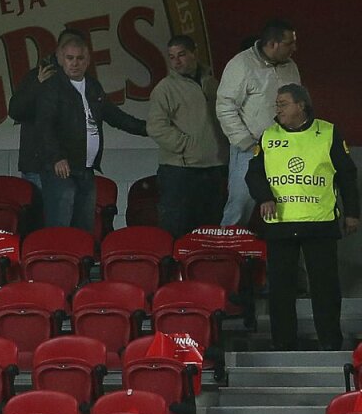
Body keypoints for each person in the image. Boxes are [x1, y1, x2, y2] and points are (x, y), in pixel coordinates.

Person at [245, 84, 358, 350]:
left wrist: (352, 213)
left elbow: (347, 175)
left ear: (301, 105)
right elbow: (254, 174)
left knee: (325, 288)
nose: (278, 109)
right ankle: (283, 344)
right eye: (277, 104)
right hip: (280, 225)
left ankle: (330, 342)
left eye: (283, 103)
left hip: (319, 223)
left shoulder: (327, 132)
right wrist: (265, 197)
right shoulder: (268, 136)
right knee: (281, 290)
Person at [35, 33, 148, 230]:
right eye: (70, 58)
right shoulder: (52, 87)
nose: (74, 63)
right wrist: (56, 157)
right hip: (61, 168)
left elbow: (114, 116)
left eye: (79, 58)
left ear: (87, 60)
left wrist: (148, 128)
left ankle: (81, 260)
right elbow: (44, 126)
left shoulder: (93, 86)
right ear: (61, 58)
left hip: (86, 167)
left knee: (85, 224)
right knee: (60, 224)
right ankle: (59, 260)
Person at [216, 18, 300, 227]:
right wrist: (246, 142)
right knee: (240, 205)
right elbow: (225, 107)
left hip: (286, 148)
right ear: (273, 44)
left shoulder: (291, 66)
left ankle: (281, 257)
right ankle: (227, 255)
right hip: (250, 148)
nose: (294, 48)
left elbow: (299, 102)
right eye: (290, 43)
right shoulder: (241, 64)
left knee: (286, 203)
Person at [146, 34, 229, 237]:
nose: (176, 61)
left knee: (210, 227)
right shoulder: (165, 88)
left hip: (214, 167)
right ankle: (176, 269)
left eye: (181, 55)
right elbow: (155, 126)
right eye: (172, 57)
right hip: (179, 170)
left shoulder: (212, 83)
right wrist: (185, 145)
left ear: (194, 53)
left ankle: (205, 269)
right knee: (177, 228)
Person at [8, 27, 87, 231]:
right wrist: (38, 84)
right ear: (59, 51)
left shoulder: (82, 82)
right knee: (35, 222)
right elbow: (15, 110)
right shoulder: (37, 75)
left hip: (70, 166)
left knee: (65, 224)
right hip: (35, 164)